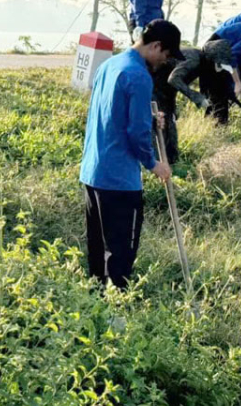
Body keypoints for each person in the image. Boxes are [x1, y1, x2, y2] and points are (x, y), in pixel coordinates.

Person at [79, 20, 183, 289]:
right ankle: (117, 311)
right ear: (156, 46)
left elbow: (112, 113)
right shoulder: (138, 75)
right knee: (121, 250)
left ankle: (96, 302)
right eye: (166, 55)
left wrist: (149, 119)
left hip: (93, 172)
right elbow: (135, 133)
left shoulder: (110, 65)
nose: (164, 61)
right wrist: (153, 164)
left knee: (98, 247)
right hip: (119, 179)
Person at [153, 39, 235, 161]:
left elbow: (170, 86)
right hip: (152, 87)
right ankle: (157, 163)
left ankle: (171, 162)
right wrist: (197, 98)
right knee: (161, 126)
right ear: (212, 58)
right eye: (218, 65)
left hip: (163, 91)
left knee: (169, 126)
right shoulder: (193, 59)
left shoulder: (201, 63)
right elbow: (173, 79)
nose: (219, 69)